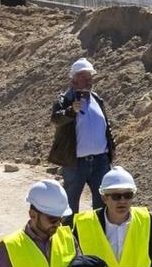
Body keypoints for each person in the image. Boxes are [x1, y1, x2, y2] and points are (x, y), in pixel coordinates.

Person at [49, 58, 114, 213]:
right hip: (75, 163)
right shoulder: (65, 99)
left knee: (102, 206)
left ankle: (98, 235)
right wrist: (71, 111)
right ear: (74, 80)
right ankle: (70, 236)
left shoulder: (97, 99)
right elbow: (56, 119)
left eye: (90, 77)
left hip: (100, 161)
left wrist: (112, 146)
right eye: (84, 77)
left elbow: (106, 125)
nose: (89, 81)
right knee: (70, 205)